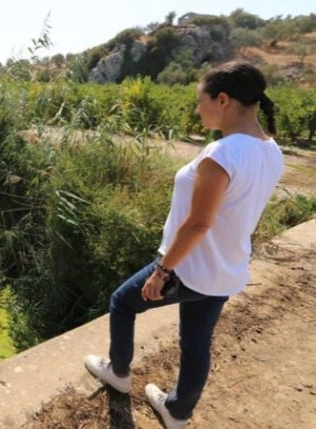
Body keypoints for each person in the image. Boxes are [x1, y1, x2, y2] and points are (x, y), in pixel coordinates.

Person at [83, 61, 284, 429]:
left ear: (222, 100)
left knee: (122, 303)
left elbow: (198, 223)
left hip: (190, 267)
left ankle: (119, 373)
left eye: (200, 100)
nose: (197, 109)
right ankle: (178, 411)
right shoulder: (272, 151)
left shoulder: (221, 153)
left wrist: (163, 270)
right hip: (227, 268)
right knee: (196, 343)